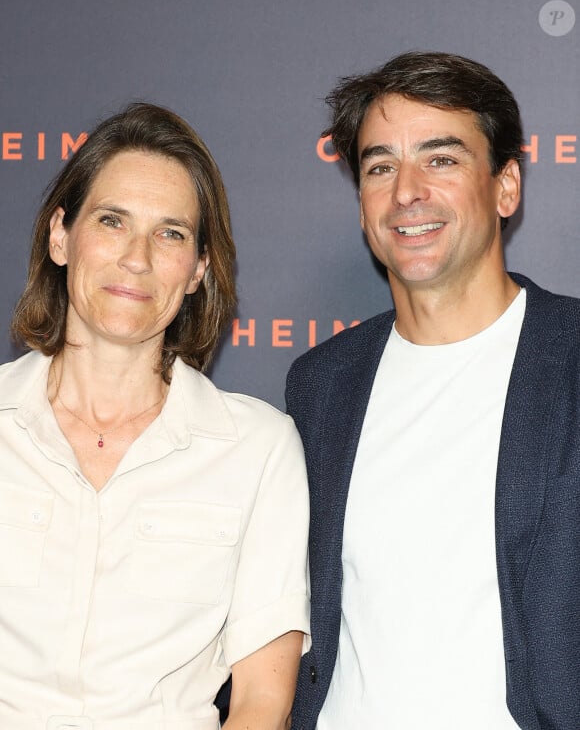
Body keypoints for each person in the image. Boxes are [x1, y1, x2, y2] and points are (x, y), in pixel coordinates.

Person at [286, 52, 579, 730]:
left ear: (506, 187)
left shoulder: (569, 360)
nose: (406, 191)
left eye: (441, 160)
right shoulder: (320, 384)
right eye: (380, 166)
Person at [0, 102, 310, 730]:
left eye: (170, 233)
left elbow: (260, 702)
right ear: (61, 236)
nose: (136, 257)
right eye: (112, 221)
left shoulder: (258, 449)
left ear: (198, 269)